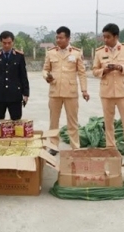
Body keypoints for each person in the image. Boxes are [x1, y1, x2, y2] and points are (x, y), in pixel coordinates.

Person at [92, 23, 124, 162]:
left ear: (116, 36)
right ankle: (111, 149)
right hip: (107, 91)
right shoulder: (100, 51)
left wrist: (121, 67)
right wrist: (104, 71)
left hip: (123, 91)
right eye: (104, 37)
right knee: (108, 122)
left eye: (108, 37)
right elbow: (94, 71)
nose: (105, 40)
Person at [42, 26, 89, 155]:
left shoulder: (76, 53)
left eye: (61, 37)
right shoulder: (51, 52)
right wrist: (47, 76)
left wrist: (84, 90)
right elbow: (45, 69)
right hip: (55, 91)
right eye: (57, 37)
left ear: (68, 38)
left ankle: (75, 147)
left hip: (71, 92)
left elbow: (82, 73)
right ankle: (53, 146)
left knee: (72, 122)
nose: (58, 40)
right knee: (53, 121)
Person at [0, 31, 30, 120]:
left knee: (16, 123)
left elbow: (23, 76)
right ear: (0, 42)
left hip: (15, 95)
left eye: (9, 43)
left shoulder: (19, 56)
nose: (7, 45)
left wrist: (26, 93)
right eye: (4, 43)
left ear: (13, 42)